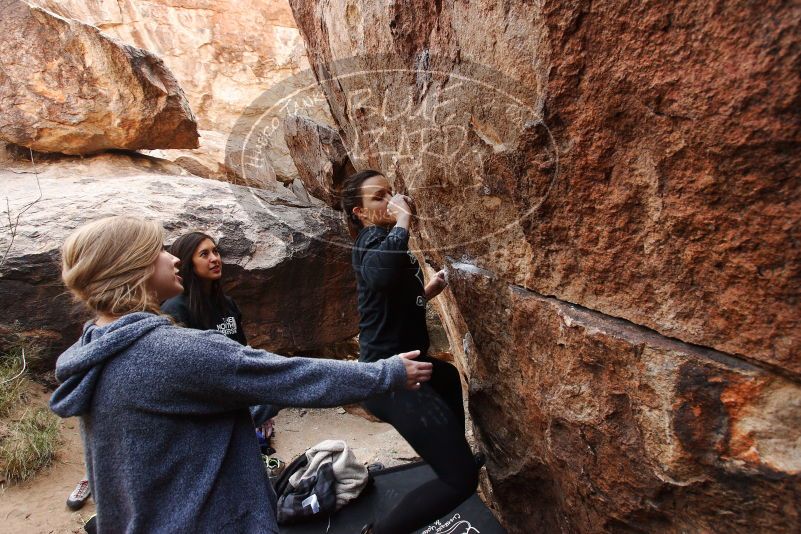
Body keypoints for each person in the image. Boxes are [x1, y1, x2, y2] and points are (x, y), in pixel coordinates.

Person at [49, 215, 432, 533]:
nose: (173, 259)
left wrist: (255, 408)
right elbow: (294, 376)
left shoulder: (93, 349)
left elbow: (174, 428)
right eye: (159, 251)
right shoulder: (170, 351)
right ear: (132, 268)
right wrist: (387, 373)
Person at [341, 170, 480, 534]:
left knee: (447, 376)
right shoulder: (370, 240)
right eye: (378, 197)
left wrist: (429, 291)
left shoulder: (387, 242)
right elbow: (380, 277)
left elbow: (390, 301)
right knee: (461, 482)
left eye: (391, 192)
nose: (389, 200)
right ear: (359, 212)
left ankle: (452, 455)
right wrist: (403, 219)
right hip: (388, 379)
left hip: (408, 367)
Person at [161, 232, 274, 436]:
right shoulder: (175, 310)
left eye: (215, 251)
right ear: (188, 263)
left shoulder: (227, 304)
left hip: (236, 392)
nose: (214, 259)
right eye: (204, 254)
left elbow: (242, 351)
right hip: (204, 406)